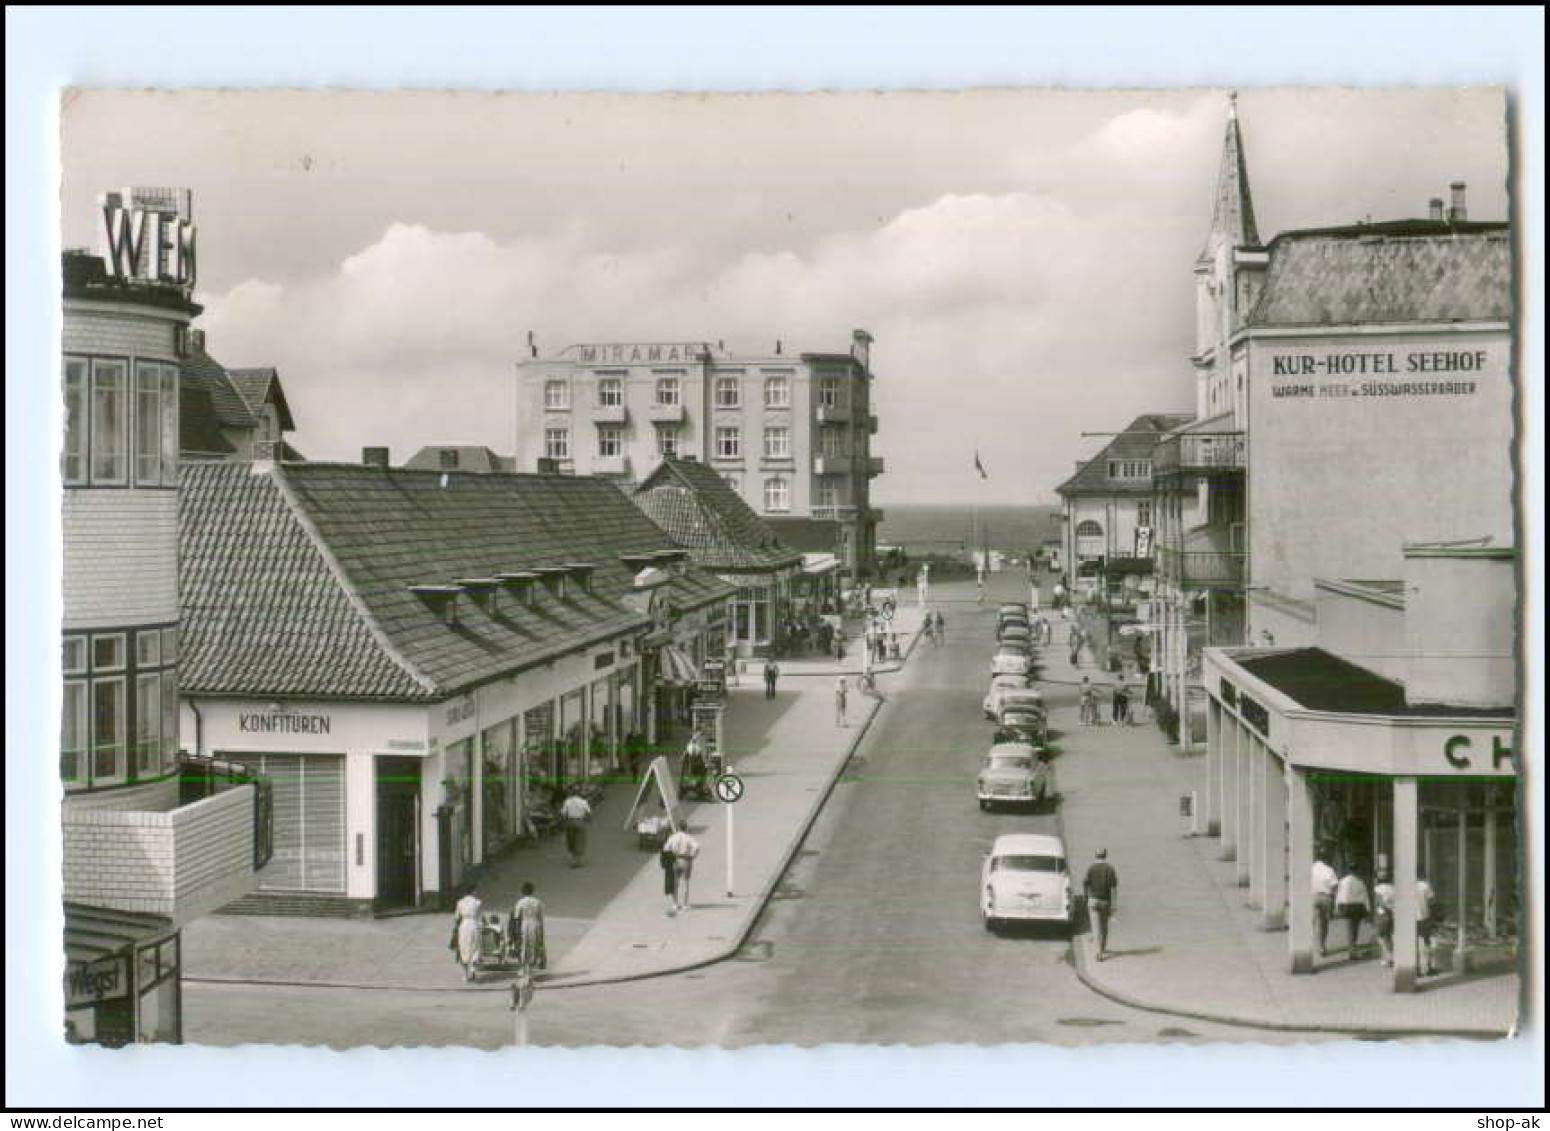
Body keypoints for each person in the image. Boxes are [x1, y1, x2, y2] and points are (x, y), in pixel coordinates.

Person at [1084, 849, 1119, 961]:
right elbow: (1113, 888)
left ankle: (1098, 952)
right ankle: (1102, 948)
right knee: (1104, 927)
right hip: (1105, 901)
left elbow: (1086, 884)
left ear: (1095, 855)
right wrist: (1114, 904)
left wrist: (1087, 898)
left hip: (1093, 900)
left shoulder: (1090, 868)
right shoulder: (1110, 869)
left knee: (1095, 928)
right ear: (1105, 855)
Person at [663, 824, 701, 915]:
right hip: (686, 860)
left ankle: (675, 903)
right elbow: (697, 846)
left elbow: (665, 848)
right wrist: (693, 855)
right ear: (686, 828)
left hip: (675, 860)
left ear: (678, 828)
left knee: (675, 883)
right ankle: (685, 904)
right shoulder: (688, 837)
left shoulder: (673, 837)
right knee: (686, 882)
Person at [509, 882, 547, 971]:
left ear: (522, 892)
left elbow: (517, 918)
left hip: (525, 924)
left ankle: (524, 968)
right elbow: (541, 917)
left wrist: (516, 932)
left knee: (524, 946)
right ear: (533, 891)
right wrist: (542, 931)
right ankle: (532, 967)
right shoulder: (538, 902)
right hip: (536, 924)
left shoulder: (520, 902)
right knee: (534, 946)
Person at [1335, 867, 1371, 959]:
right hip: (1357, 907)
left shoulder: (1342, 881)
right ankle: (1352, 949)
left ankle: (1352, 949)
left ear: (1349, 871)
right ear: (1356, 871)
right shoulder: (1360, 882)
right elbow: (1365, 896)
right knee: (1354, 928)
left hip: (1346, 906)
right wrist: (1368, 909)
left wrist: (1337, 906)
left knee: (1350, 928)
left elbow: (1338, 894)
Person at [452, 887, 483, 982]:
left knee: (464, 948)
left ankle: (465, 975)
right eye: (475, 891)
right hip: (474, 925)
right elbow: (480, 916)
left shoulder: (460, 902)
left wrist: (455, 929)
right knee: (475, 946)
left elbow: (456, 917)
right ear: (473, 891)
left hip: (464, 926)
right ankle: (473, 968)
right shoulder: (478, 902)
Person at [1311, 852, 1339, 958]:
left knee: (1313, 923)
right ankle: (1321, 947)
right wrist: (1333, 897)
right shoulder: (1329, 869)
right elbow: (1334, 885)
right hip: (1326, 897)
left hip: (1313, 897)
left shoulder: (1311, 869)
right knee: (1324, 924)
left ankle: (1312, 945)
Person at [559, 788, 593, 867]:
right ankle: (577, 860)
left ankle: (574, 858)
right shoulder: (583, 802)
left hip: (570, 822)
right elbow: (589, 813)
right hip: (580, 821)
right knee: (580, 840)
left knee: (571, 840)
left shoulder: (567, 801)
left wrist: (563, 822)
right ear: (579, 793)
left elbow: (563, 813)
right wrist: (589, 820)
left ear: (571, 793)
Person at [1416, 868, 1438, 976]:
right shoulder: (1425, 886)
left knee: (1413, 945)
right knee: (1427, 942)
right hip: (1424, 918)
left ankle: (1416, 969)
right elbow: (1432, 902)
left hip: (1410, 919)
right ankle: (1429, 967)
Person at [1373, 869, 1396, 968]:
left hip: (1382, 914)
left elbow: (1379, 902)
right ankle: (1390, 956)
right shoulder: (1393, 888)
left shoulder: (1377, 889)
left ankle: (1389, 957)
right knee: (1389, 936)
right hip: (1393, 914)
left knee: (1380, 936)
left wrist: (1385, 907)